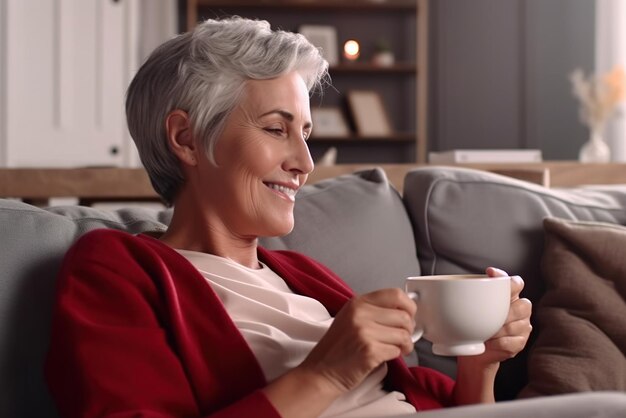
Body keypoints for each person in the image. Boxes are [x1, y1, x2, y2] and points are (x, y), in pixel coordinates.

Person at [45, 17, 532, 418]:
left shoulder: (303, 276)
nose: (305, 161)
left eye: (305, 133)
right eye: (276, 129)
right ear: (186, 139)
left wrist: (479, 366)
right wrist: (324, 375)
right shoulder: (116, 271)